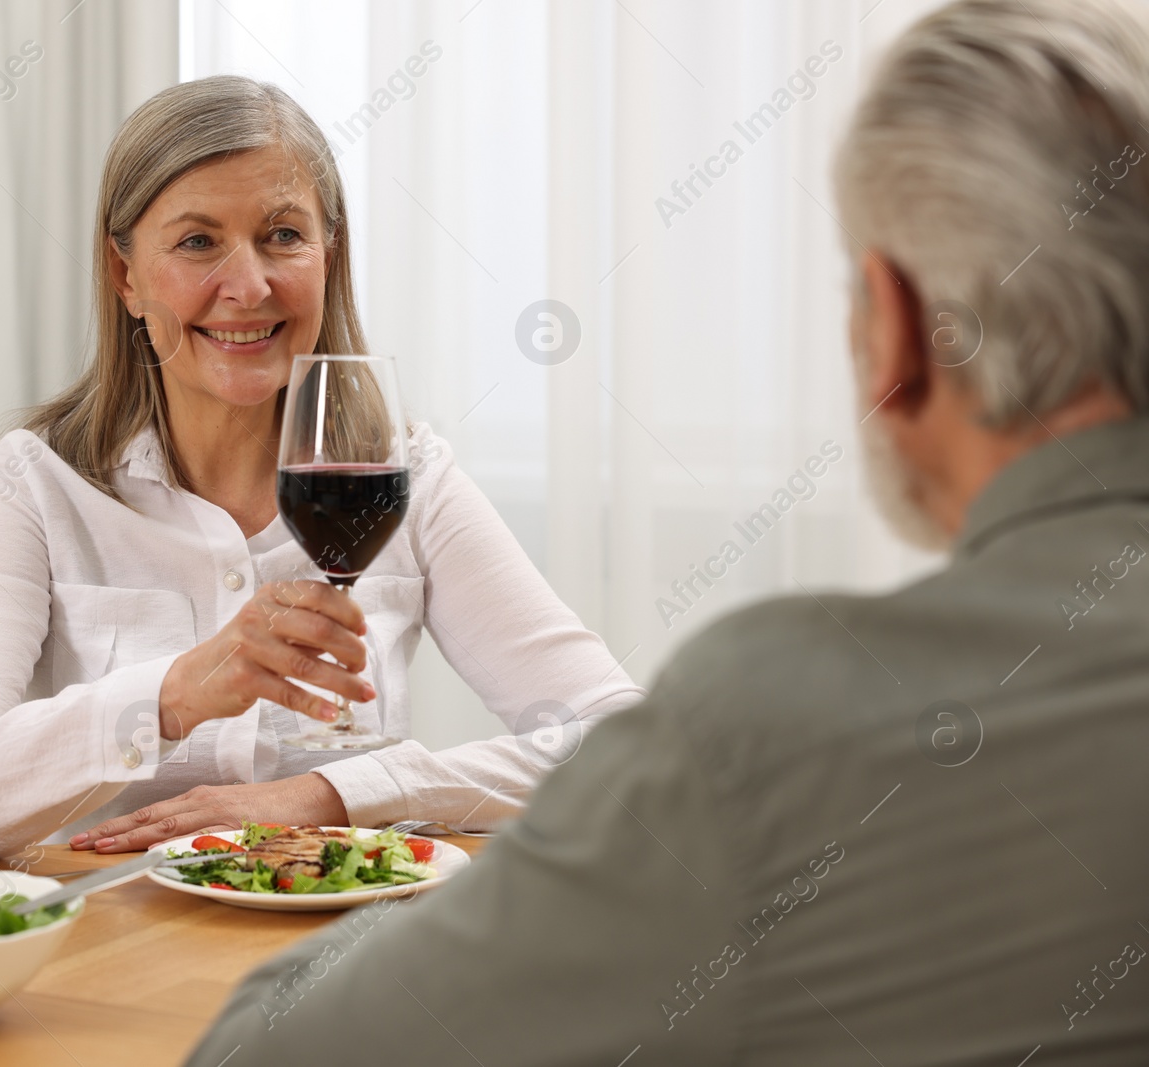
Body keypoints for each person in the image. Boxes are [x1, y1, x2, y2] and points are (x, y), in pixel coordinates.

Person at [184, 1, 1149, 1063]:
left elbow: (270, 1051)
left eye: (281, 235)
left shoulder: (783, 718)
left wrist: (416, 868)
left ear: (897, 328)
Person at [0, 75, 643, 861]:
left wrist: (335, 795)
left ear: (328, 253)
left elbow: (630, 745)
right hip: (107, 943)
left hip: (340, 955)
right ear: (126, 276)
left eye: (283, 235)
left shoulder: (408, 475)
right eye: (197, 241)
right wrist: (171, 696)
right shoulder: (35, 482)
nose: (248, 287)